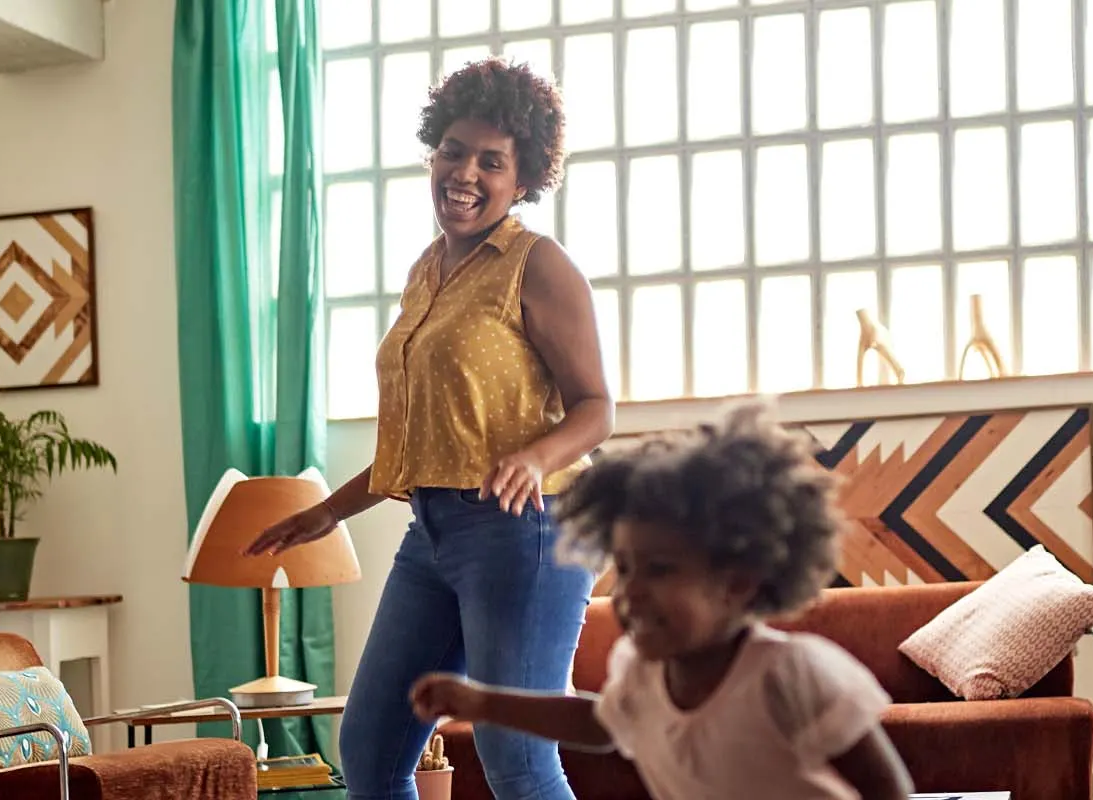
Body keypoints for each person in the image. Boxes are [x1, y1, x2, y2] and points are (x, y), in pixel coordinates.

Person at [246, 57, 609, 800]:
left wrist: (534, 458)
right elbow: (422, 442)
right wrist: (329, 510)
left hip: (528, 532)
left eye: (491, 161)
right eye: (452, 151)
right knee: (371, 748)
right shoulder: (427, 272)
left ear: (523, 179)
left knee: (518, 758)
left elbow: (596, 407)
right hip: (433, 535)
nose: (464, 173)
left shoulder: (538, 265)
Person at [409, 403, 913, 800]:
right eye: (625, 569)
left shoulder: (790, 674)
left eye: (660, 570)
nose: (630, 592)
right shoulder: (641, 672)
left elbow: (887, 786)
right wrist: (481, 702)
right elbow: (599, 724)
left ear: (738, 582)